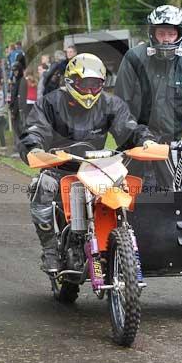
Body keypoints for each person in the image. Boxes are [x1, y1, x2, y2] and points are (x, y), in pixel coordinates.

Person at [20, 53, 154, 272]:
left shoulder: (110, 104)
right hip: (59, 167)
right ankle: (51, 251)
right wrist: (34, 148)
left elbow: (128, 128)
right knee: (42, 186)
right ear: (71, 81)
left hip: (96, 168)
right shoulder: (50, 103)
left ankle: (128, 243)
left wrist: (145, 140)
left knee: (128, 185)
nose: (90, 91)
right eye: (85, 84)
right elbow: (35, 130)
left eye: (96, 85)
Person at [115, 4, 182, 191]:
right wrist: (138, 136)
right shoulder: (133, 59)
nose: (166, 39)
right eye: (161, 33)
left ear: (180, 33)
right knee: (131, 196)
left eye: (171, 34)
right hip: (137, 144)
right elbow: (119, 107)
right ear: (152, 33)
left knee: (174, 196)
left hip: (172, 144)